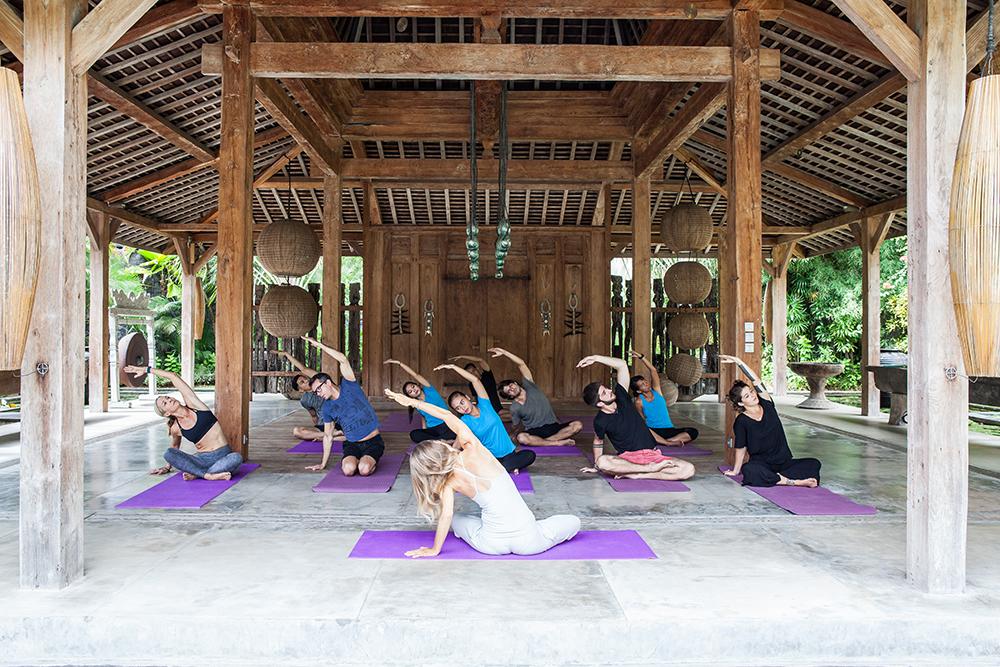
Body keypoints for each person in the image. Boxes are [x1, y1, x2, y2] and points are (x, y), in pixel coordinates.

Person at [384, 388, 580, 558]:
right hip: (529, 542)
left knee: (457, 519)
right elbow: (447, 416)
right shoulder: (473, 450)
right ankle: (535, 527)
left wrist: (435, 549)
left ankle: (492, 530)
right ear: (440, 447)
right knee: (574, 522)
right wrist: (412, 402)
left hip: (490, 545)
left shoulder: (447, 484)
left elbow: (446, 516)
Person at [576, 354, 695, 481]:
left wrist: (596, 358)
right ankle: (647, 469)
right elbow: (598, 441)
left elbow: (622, 365)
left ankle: (640, 474)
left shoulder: (622, 397)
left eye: (606, 388)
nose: (609, 390)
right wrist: (596, 466)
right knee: (602, 462)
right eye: (604, 393)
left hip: (652, 455)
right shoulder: (600, 421)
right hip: (627, 459)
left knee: (688, 469)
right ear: (600, 404)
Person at [123, 365, 243, 481]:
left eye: (167, 398)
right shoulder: (175, 428)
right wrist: (167, 467)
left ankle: (199, 474)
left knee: (236, 458)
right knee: (168, 453)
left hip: (223, 455)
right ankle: (208, 475)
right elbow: (175, 447)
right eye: (165, 403)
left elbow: (173, 376)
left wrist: (147, 370)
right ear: (167, 413)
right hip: (202, 459)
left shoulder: (195, 406)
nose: (169, 400)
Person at [720, 354, 821, 488]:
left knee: (814, 463)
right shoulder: (741, 421)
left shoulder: (767, 403)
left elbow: (756, 381)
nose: (753, 396)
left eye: (751, 392)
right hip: (762, 464)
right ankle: (792, 481)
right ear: (741, 403)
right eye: (747, 396)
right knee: (749, 470)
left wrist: (739, 362)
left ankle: (776, 478)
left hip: (784, 463)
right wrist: (735, 470)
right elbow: (741, 447)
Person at [302, 336, 383, 477]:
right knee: (348, 470)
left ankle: (367, 461)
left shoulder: (349, 385)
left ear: (328, 383)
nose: (318, 394)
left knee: (364, 470)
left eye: (319, 389)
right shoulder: (327, 408)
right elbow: (328, 436)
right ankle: (358, 460)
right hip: (352, 444)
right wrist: (323, 463)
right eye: (315, 393)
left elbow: (343, 359)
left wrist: (320, 345)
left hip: (373, 441)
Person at [437, 363, 535, 473]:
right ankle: (508, 467)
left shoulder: (485, 404)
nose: (462, 408)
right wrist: (446, 465)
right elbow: (458, 443)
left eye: (462, 402)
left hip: (509, 453)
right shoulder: (464, 421)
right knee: (472, 462)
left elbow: (475, 380)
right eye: (458, 408)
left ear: (467, 397)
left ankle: (503, 468)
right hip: (490, 458)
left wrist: (453, 367)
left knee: (530, 455)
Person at [493, 347, 583, 447]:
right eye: (509, 391)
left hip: (553, 426)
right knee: (522, 438)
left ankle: (544, 442)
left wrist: (504, 352)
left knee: (577, 425)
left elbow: (521, 364)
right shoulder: (515, 407)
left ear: (515, 383)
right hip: (534, 431)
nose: (512, 389)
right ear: (509, 396)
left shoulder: (530, 386)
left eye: (510, 386)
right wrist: (513, 434)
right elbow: (516, 425)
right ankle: (556, 442)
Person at [270, 348, 344, 443]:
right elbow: (314, 416)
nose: (306, 380)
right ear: (300, 390)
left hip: (341, 422)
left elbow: (303, 369)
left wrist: (286, 354)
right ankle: (333, 435)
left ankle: (329, 436)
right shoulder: (305, 400)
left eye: (305, 378)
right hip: (324, 425)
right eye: (302, 382)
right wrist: (316, 429)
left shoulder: (320, 381)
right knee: (297, 431)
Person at [628, 350, 699, 447]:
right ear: (639, 391)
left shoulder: (657, 391)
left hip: (669, 429)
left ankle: (667, 441)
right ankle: (665, 441)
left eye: (645, 381)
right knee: (643, 431)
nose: (646, 384)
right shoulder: (639, 401)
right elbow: (641, 419)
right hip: (653, 430)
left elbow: (653, 370)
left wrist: (641, 357)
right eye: (642, 385)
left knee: (693, 432)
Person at [384, 358, 457, 443]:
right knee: (414, 434)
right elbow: (423, 416)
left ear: (417, 385)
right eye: (410, 392)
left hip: (447, 424)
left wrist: (399, 363)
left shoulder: (429, 389)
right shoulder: (416, 403)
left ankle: (437, 442)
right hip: (433, 429)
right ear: (410, 396)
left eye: (413, 387)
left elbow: (416, 375)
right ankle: (442, 441)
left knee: (457, 432)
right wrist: (424, 430)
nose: (413, 390)